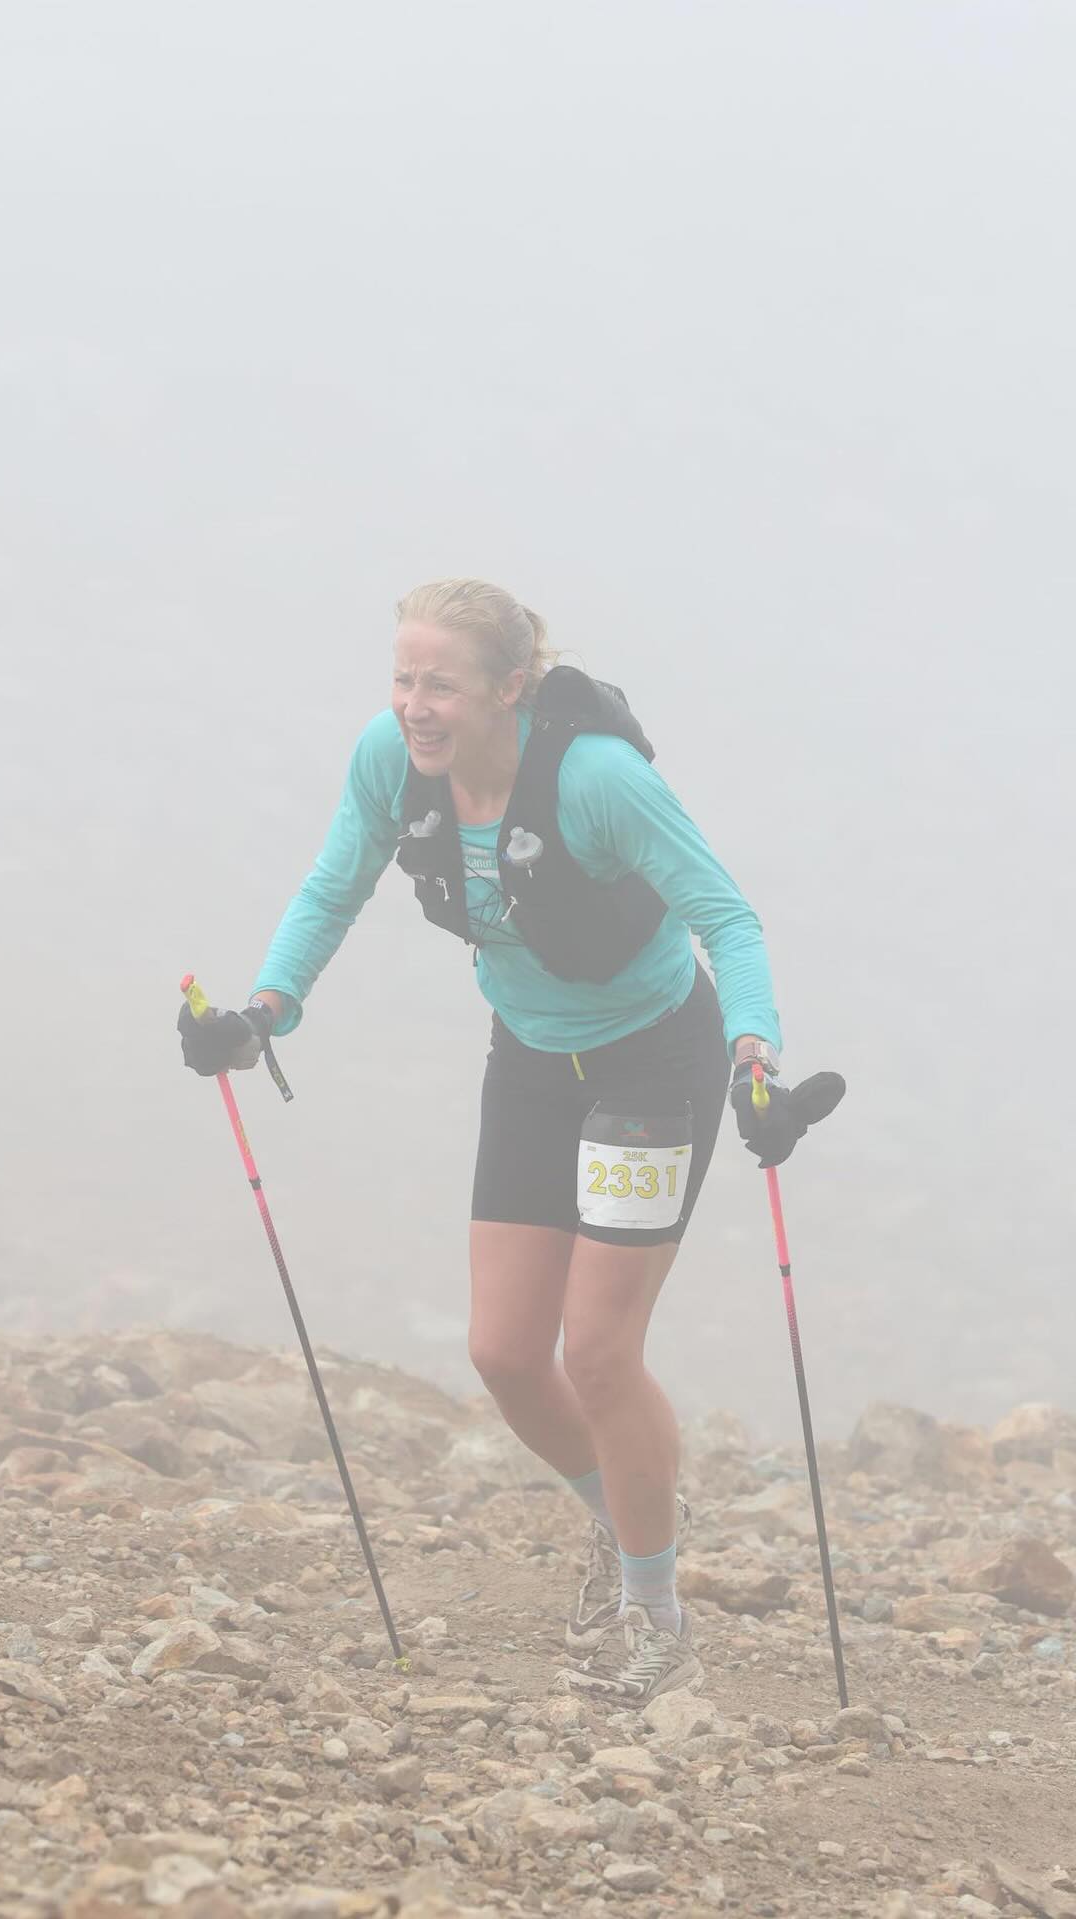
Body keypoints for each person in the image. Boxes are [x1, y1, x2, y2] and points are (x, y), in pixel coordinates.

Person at [178, 578, 840, 1703]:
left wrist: (755, 1054)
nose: (414, 705)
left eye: (440, 683)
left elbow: (725, 915)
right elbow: (335, 883)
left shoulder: (596, 780)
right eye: (402, 678)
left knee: (597, 1349)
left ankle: (657, 1615)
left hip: (649, 1063)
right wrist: (262, 1010)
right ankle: (624, 1513)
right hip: (532, 1061)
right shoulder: (390, 764)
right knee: (501, 1351)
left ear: (509, 685)